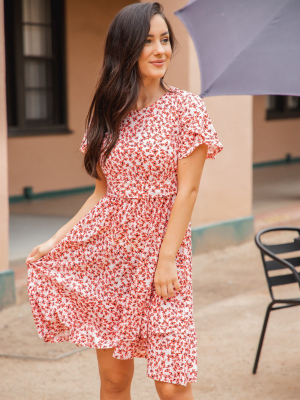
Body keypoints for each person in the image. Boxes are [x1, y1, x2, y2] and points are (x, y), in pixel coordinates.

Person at [26, 2, 224, 399]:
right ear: (125, 49)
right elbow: (103, 191)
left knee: (172, 386)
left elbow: (188, 190)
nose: (160, 50)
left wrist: (166, 260)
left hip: (164, 262)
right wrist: (58, 239)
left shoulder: (187, 108)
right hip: (111, 260)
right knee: (115, 383)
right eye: (147, 41)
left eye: (165, 40)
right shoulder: (108, 113)